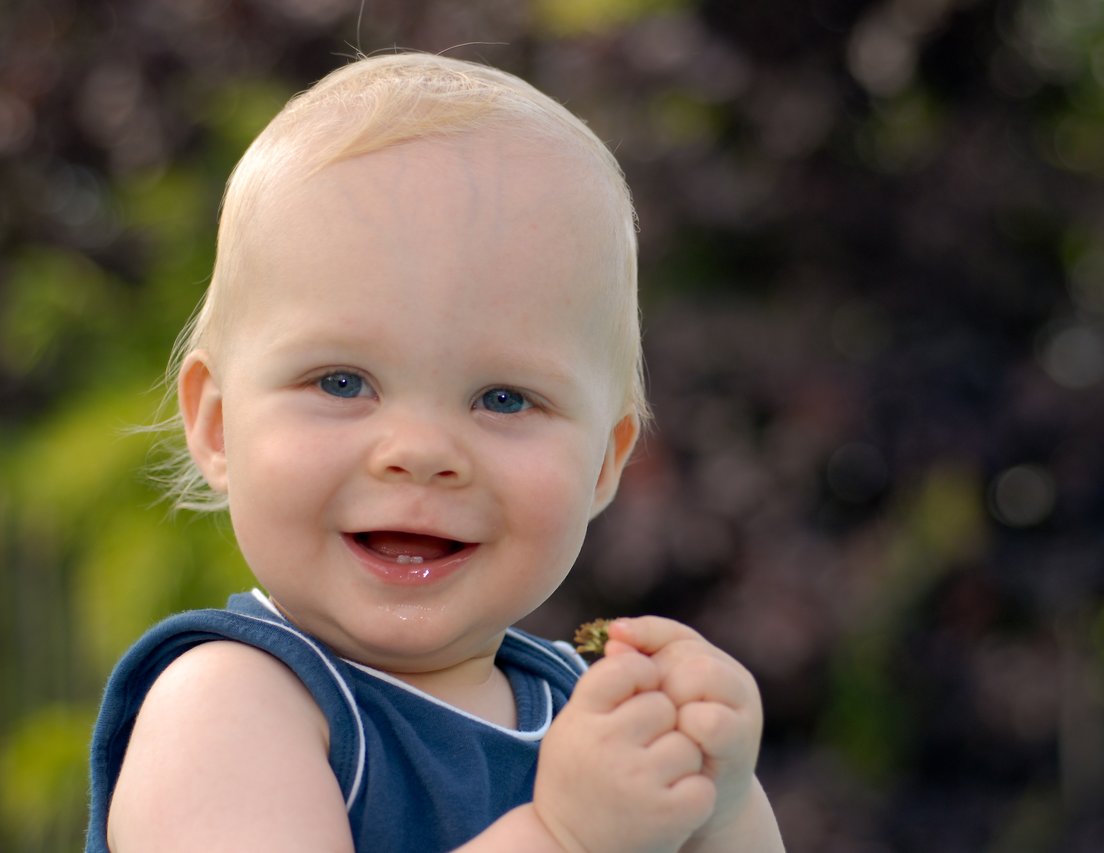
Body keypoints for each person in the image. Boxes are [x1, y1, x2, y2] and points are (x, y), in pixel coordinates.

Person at [85, 51, 785, 853]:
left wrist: (718, 798)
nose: (420, 453)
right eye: (342, 381)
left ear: (603, 462)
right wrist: (564, 837)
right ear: (216, 425)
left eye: (504, 398)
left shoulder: (584, 715)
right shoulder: (229, 706)